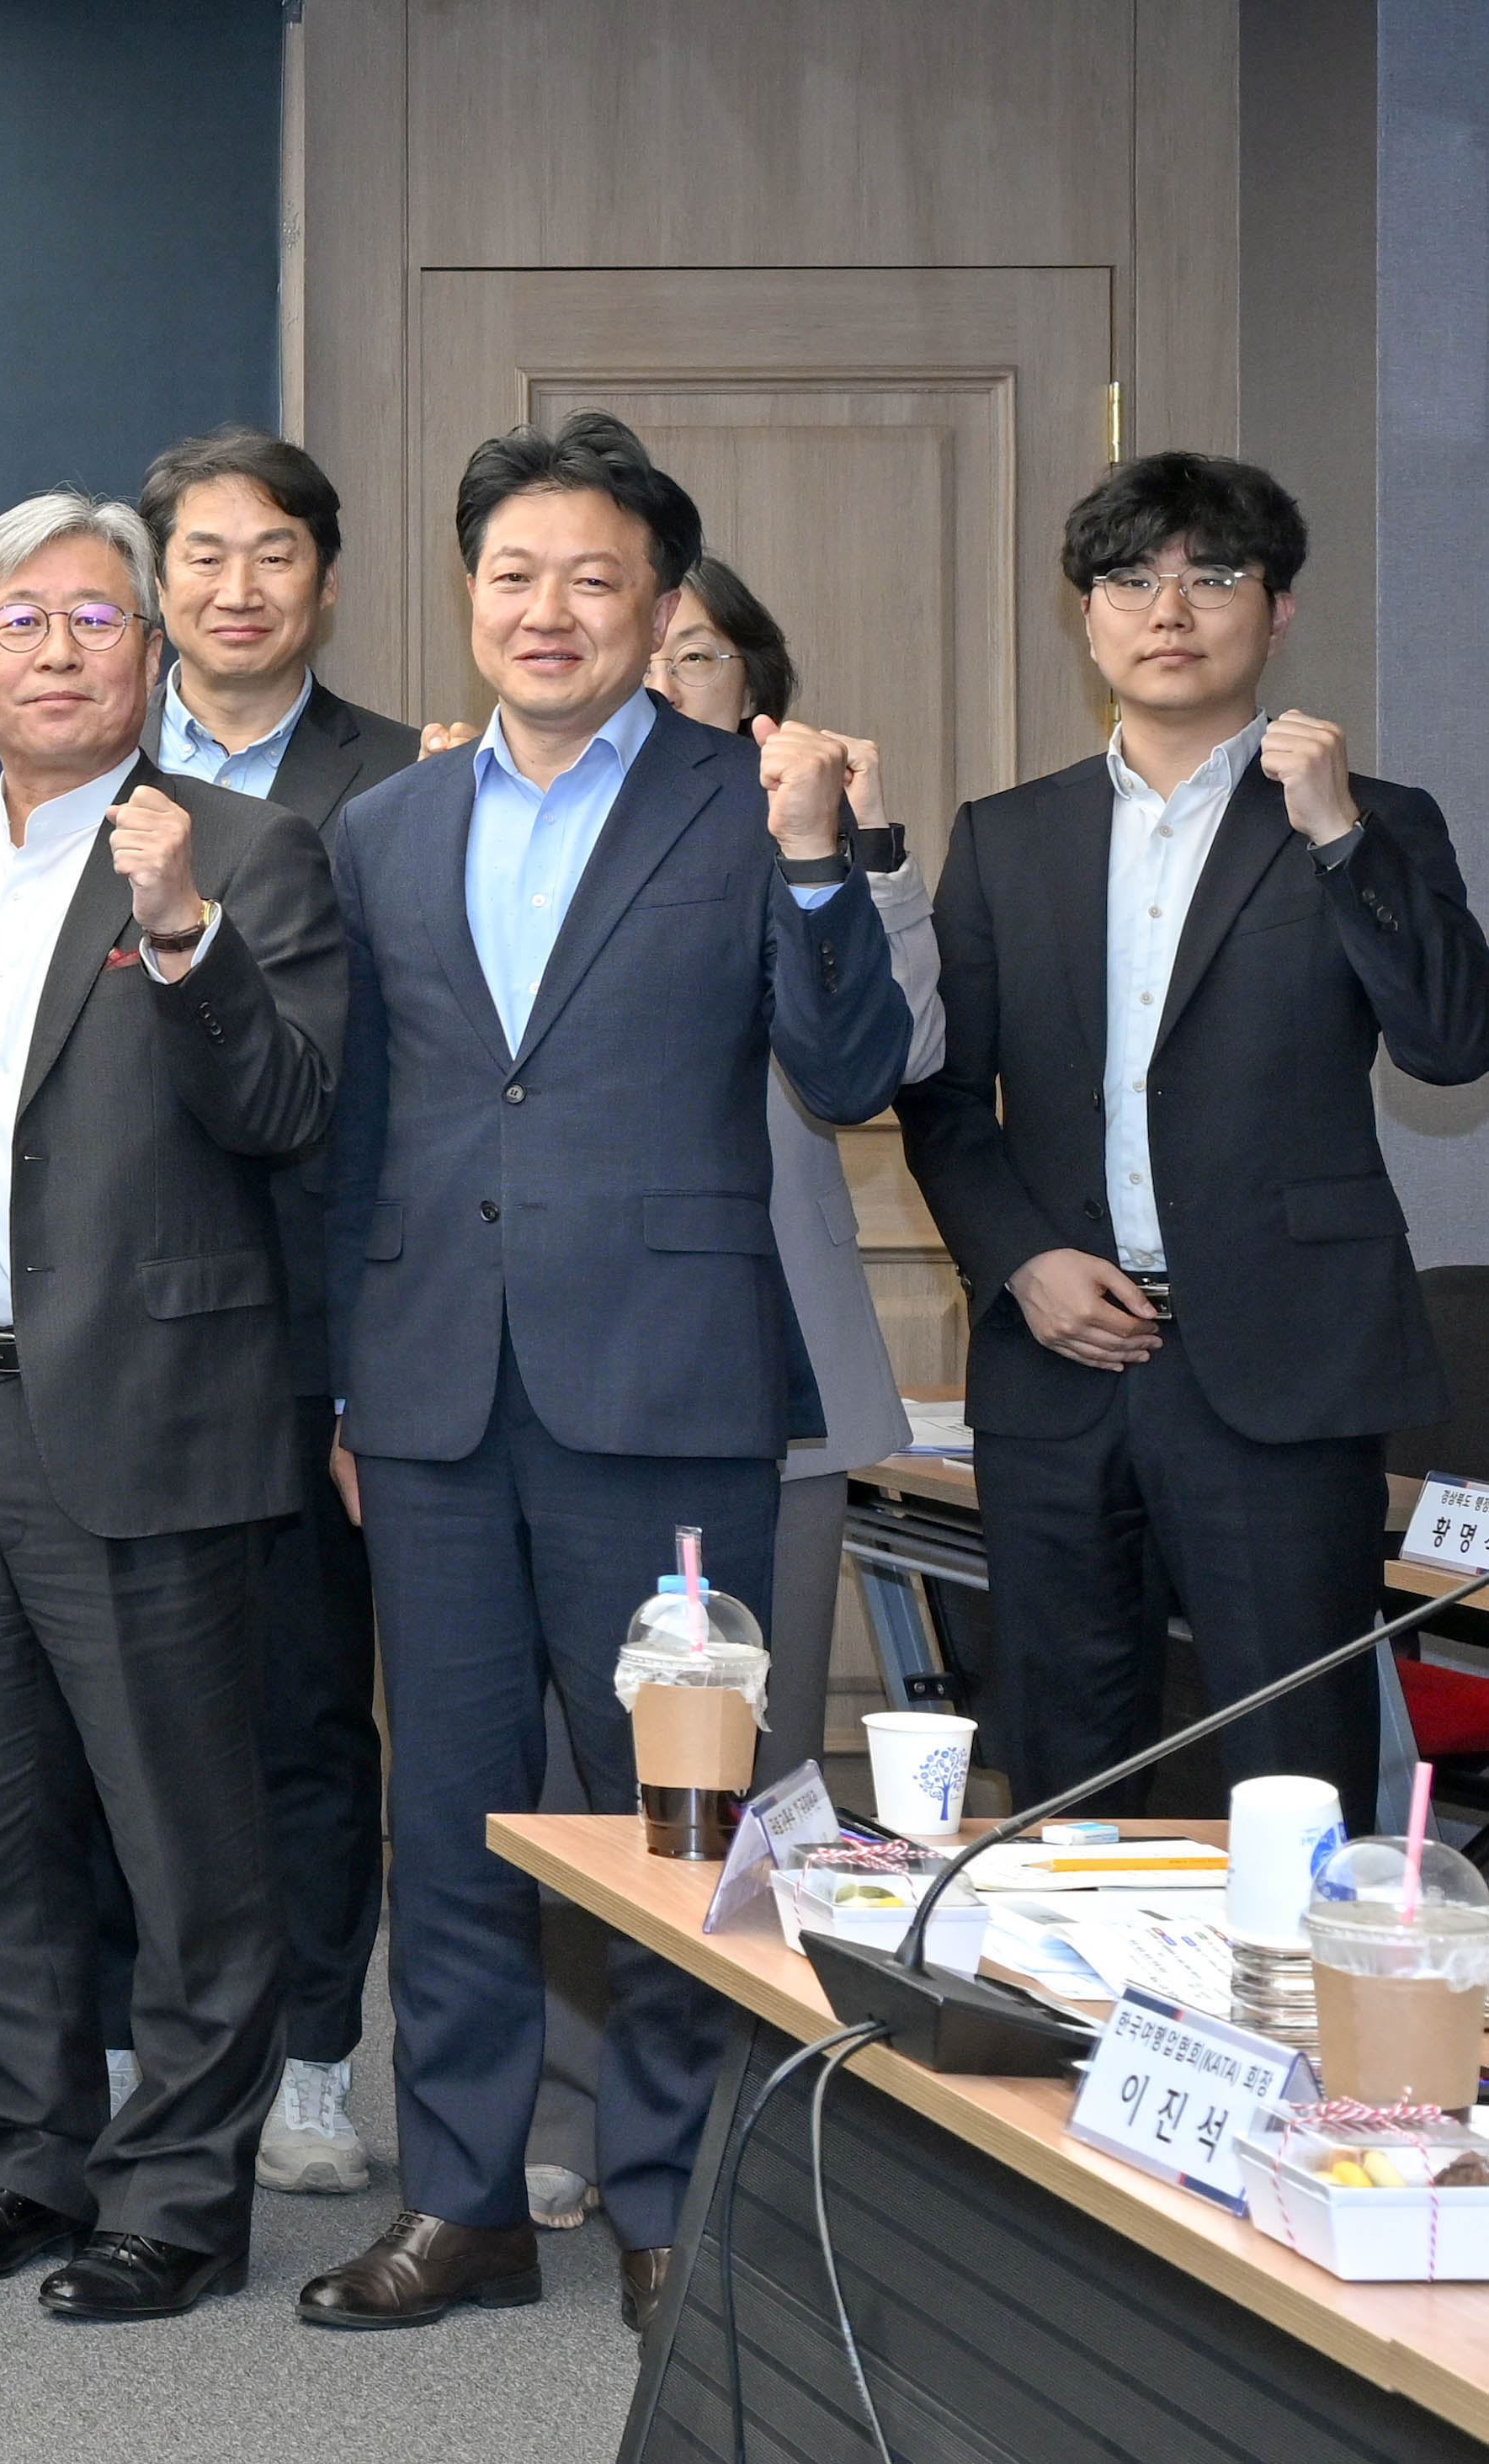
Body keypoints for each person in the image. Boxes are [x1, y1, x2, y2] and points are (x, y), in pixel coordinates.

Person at [297, 413, 904, 2339]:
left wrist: (817, 861)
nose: (546, 609)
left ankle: (664, 2194)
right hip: (432, 1396)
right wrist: (344, 1387)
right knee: (448, 1812)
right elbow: (366, 1129)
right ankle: (461, 2196)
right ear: (465, 592)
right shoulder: (389, 825)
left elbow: (849, 1067)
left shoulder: (748, 800)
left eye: (592, 578)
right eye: (512, 574)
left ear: (658, 608)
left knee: (680, 1813)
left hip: (668, 1384)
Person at [0, 492, 342, 2324]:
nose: (55, 651)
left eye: (92, 619)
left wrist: (185, 933)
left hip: (147, 1413)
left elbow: (288, 1110)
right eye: (18, 621)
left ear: (149, 653)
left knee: (179, 1837)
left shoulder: (245, 846)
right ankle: (26, 2157)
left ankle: (180, 2192)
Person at [904, 452, 1489, 1827]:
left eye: (1211, 577)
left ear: (1276, 610)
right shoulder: (1004, 836)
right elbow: (940, 1095)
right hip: (1057, 1364)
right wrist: (1019, 1260)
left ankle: (1294, 1978)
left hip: (1280, 1365)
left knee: (1293, 1770)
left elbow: (1449, 1042)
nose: (1167, 609)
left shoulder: (1373, 820)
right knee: (1060, 1767)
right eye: (1128, 580)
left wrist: (1338, 835)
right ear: (1086, 615)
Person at [134, 425, 418, 2201]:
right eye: (202, 553)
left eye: (273, 553)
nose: (236, 588)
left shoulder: (404, 780)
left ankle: (312, 2060)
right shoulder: (77, 760)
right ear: (154, 579)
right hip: (110, 1323)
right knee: (115, 1712)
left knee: (307, 1715)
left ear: (323, 576)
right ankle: (130, 2044)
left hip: (315, 1317)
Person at [644, 560, 944, 1802]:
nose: (663, 678)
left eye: (696, 653)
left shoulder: (802, 842)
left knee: (765, 1753)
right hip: (576, 1353)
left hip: (784, 1351)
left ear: (755, 689)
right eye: (643, 649)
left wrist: (869, 854)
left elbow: (903, 1057)